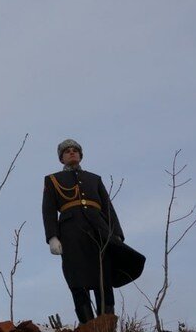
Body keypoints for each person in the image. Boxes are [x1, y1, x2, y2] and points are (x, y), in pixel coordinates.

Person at [42, 139, 145, 325]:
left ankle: (107, 324)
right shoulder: (52, 180)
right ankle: (87, 324)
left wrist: (117, 234)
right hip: (71, 234)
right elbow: (48, 210)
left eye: (75, 150)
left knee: (103, 278)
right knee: (76, 279)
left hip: (100, 232)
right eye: (67, 151)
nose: (71, 153)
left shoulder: (94, 179)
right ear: (61, 158)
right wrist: (52, 236)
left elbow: (107, 208)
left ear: (81, 155)